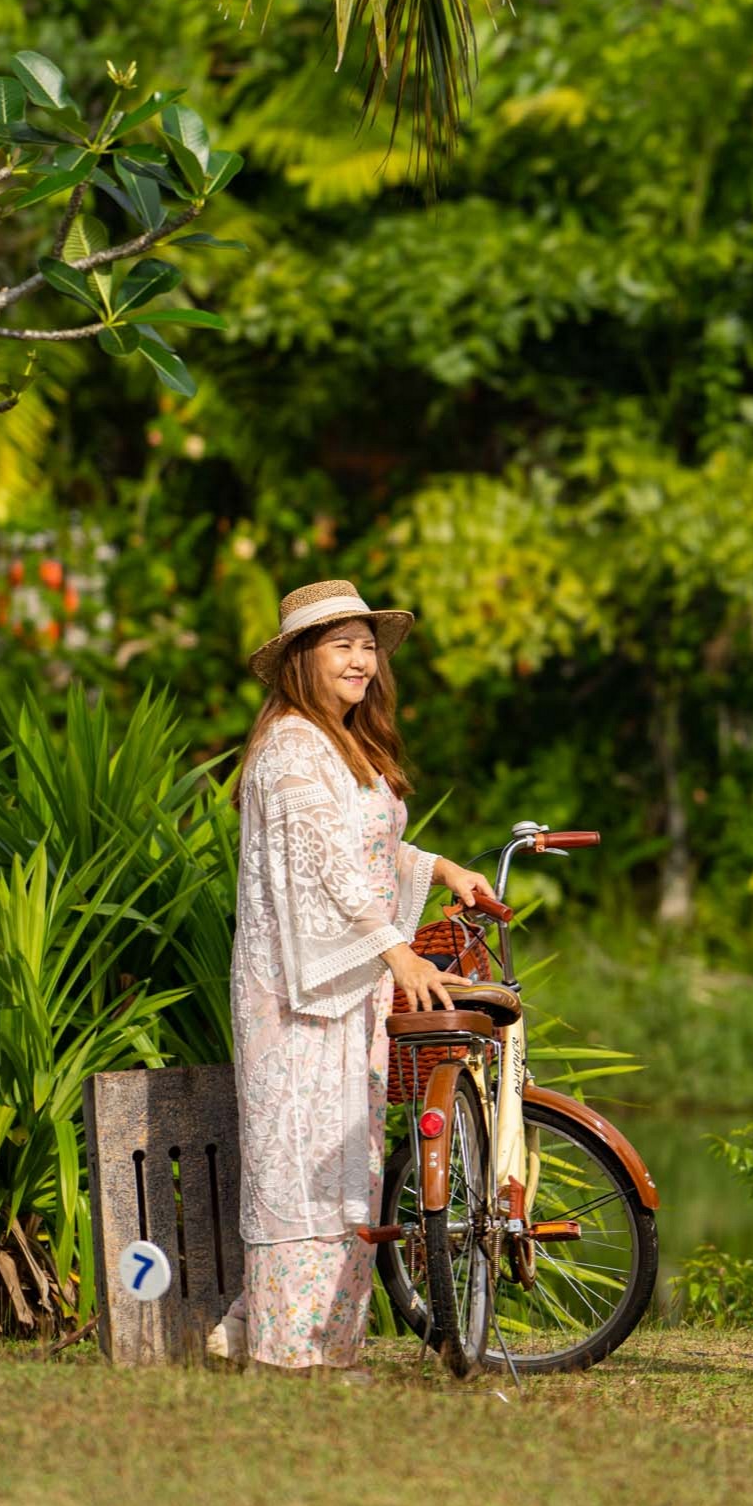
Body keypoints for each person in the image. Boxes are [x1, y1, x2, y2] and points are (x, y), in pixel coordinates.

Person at [209, 580, 498, 1380]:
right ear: (301, 659)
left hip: (347, 981)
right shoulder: (291, 748)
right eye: (342, 645)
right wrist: (396, 951)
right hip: (295, 991)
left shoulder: (343, 743)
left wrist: (442, 867)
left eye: (368, 646)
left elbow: (365, 848)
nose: (361, 660)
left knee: (346, 1162)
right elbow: (326, 868)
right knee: (299, 1158)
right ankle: (286, 1350)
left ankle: (308, 1341)